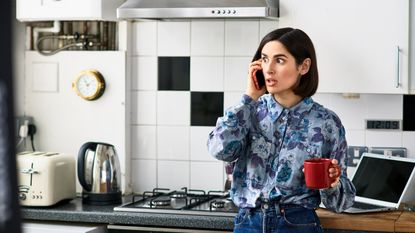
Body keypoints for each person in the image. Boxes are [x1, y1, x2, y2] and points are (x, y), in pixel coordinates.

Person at [207, 27, 355, 233]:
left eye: (280, 60)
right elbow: (219, 150)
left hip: (299, 224)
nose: (269, 69)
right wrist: (249, 98)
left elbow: (340, 203)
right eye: (265, 59)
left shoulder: (326, 123)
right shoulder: (249, 110)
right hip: (248, 222)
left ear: (304, 66)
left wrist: (332, 182)